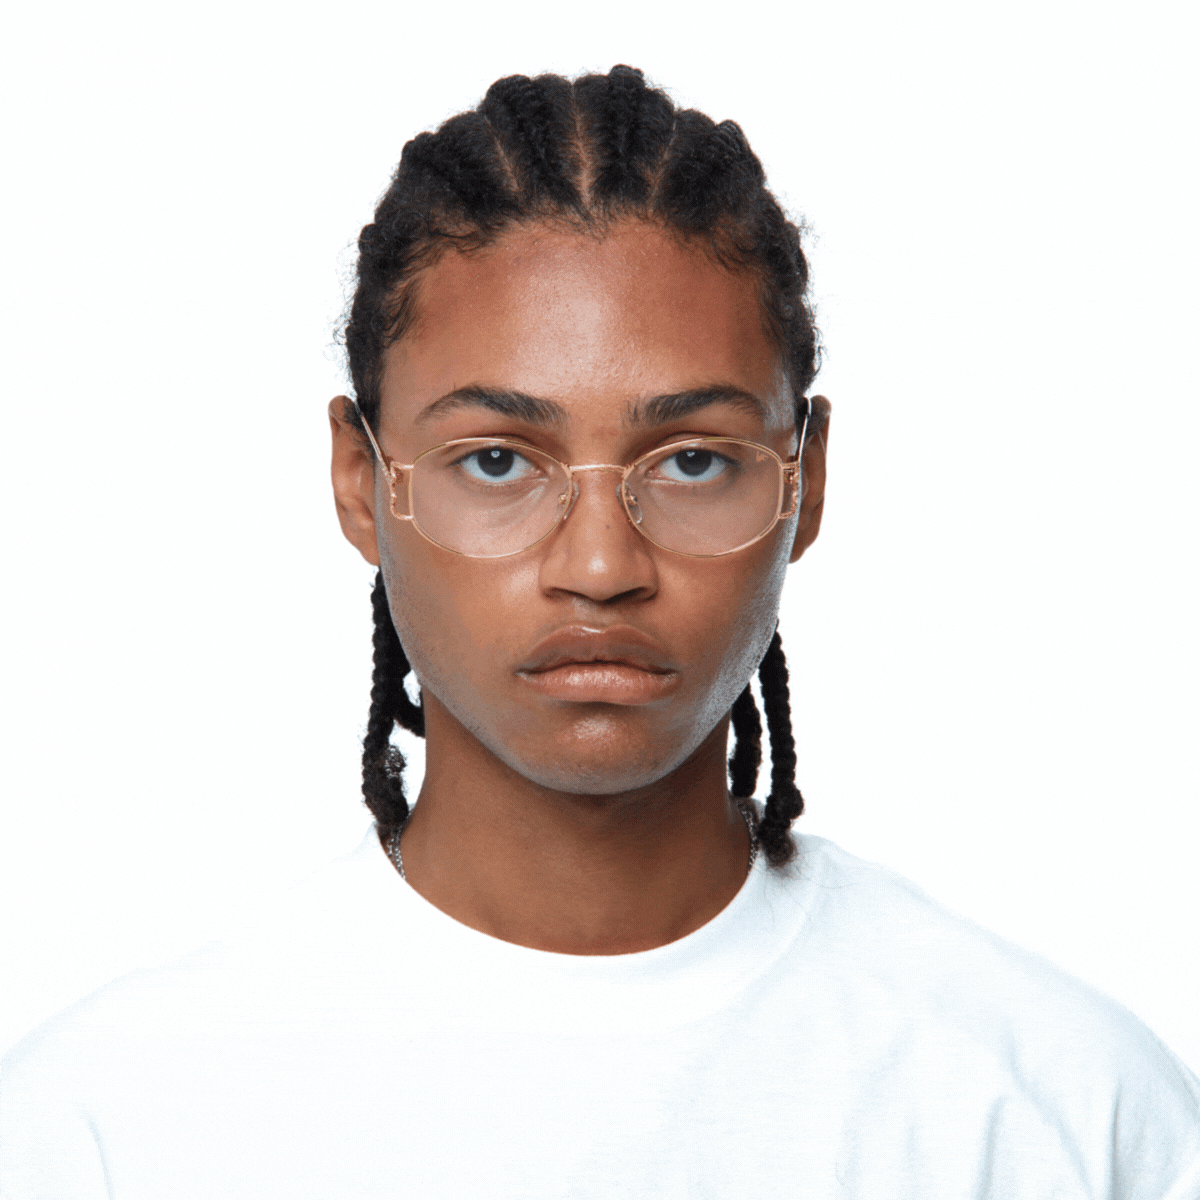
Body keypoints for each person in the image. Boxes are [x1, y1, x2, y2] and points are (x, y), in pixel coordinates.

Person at [1, 65, 1197, 1199]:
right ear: (362, 484)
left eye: (692, 460)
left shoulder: (1061, 1109)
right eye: (496, 459)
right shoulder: (109, 1126)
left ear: (806, 480)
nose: (599, 567)